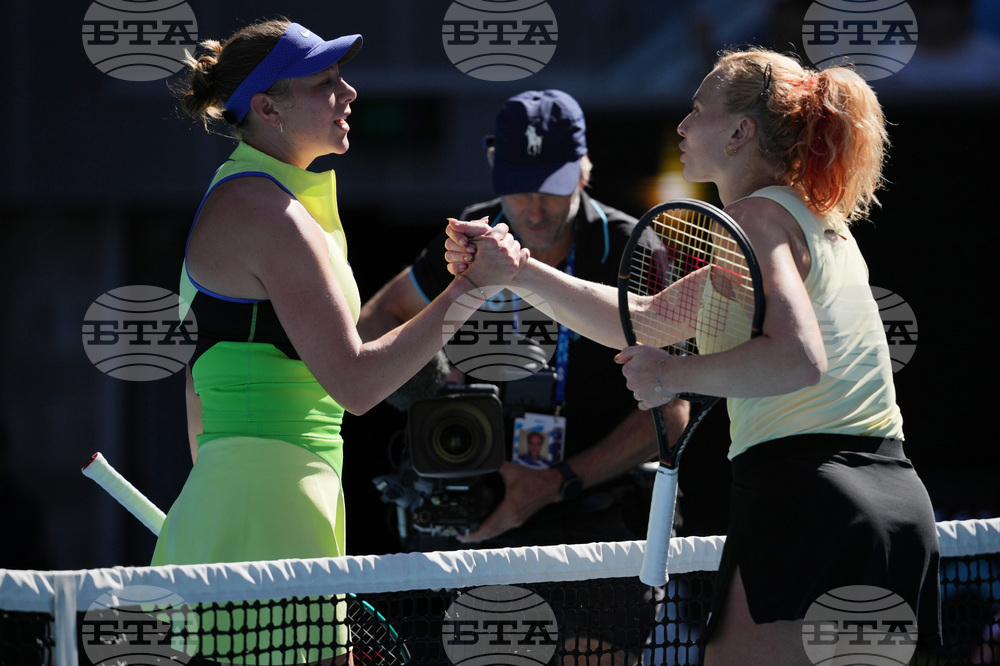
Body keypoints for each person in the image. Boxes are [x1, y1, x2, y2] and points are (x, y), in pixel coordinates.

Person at [447, 48, 941, 664]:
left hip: (810, 499)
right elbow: (644, 319)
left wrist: (672, 373)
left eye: (698, 109)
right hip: (890, 502)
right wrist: (518, 272)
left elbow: (797, 360)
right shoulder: (815, 220)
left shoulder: (757, 221)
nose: (681, 125)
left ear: (740, 132)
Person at [151, 17, 525, 664]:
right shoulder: (265, 211)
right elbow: (355, 384)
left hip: (269, 503)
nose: (348, 93)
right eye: (325, 82)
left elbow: (199, 389)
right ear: (267, 107)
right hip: (271, 506)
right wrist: (470, 292)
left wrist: (224, 498)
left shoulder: (280, 200)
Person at [359, 89, 689, 551]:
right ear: (495, 168)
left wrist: (555, 483)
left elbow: (671, 413)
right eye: (519, 187)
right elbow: (376, 320)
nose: (534, 210)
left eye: (551, 188)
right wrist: (436, 390)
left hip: (596, 507)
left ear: (584, 172)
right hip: (485, 499)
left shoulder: (632, 247)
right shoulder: (470, 234)